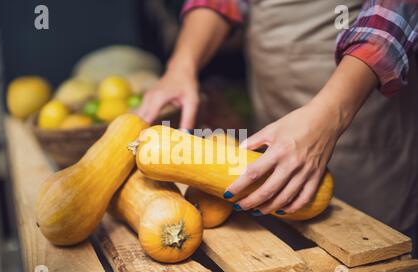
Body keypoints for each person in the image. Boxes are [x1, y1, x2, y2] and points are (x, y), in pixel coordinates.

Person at [136, 0, 418, 253]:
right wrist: (181, 65)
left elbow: (395, 14)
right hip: (272, 108)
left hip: (358, 108)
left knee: (368, 256)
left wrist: (332, 115)